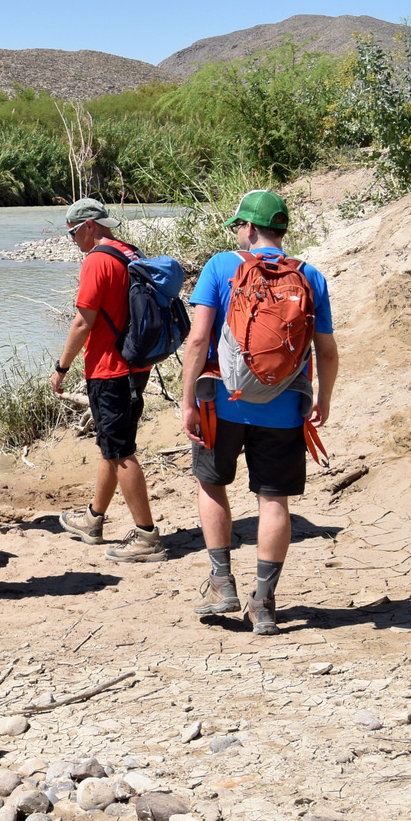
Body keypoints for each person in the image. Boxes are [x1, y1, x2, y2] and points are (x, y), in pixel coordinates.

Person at [180, 190, 338, 635]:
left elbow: (197, 341)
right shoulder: (310, 277)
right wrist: (323, 399)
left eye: (239, 225)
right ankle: (264, 603)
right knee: (273, 501)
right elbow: (325, 351)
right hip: (285, 407)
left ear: (249, 228)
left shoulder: (220, 266)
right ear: (281, 230)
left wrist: (188, 401)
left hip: (221, 403)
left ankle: (221, 584)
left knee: (211, 486)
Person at [49, 198, 166, 563]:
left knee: (121, 452)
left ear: (89, 226)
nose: (72, 241)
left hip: (110, 369)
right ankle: (93, 519)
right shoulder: (129, 252)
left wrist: (61, 367)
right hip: (136, 364)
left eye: (72, 233)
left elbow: (83, 321)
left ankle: (147, 536)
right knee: (113, 445)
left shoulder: (97, 260)